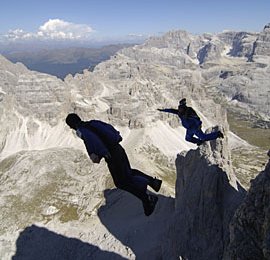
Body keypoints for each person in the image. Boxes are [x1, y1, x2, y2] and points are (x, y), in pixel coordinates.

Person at [65, 113, 162, 216]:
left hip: (112, 156)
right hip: (118, 149)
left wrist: (100, 154)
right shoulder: (93, 123)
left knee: (121, 183)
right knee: (128, 172)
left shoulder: (82, 131)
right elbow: (110, 129)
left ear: (72, 126)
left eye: (71, 127)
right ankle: (153, 182)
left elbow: (94, 148)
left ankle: (147, 199)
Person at [158, 98, 224, 146]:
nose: (179, 109)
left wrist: (198, 124)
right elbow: (171, 110)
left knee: (203, 137)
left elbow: (196, 117)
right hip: (189, 128)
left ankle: (218, 134)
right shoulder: (180, 112)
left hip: (194, 127)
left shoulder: (189, 110)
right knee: (188, 138)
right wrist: (162, 110)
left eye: (181, 107)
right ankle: (199, 142)